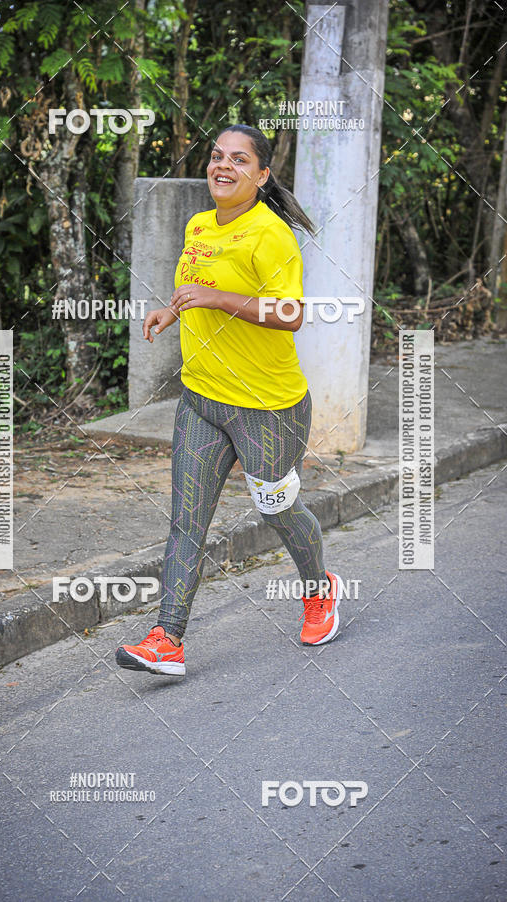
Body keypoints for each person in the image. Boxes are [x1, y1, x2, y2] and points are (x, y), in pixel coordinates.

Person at [115, 124, 340, 677]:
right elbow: (195, 284)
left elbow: (291, 314)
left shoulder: (271, 235)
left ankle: (320, 588)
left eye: (238, 160)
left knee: (277, 509)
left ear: (261, 175)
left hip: (268, 408)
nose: (222, 165)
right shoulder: (198, 224)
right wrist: (174, 310)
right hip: (202, 401)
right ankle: (167, 639)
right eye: (217, 156)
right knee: (186, 520)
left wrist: (215, 297)